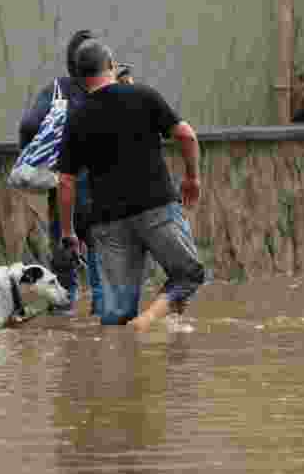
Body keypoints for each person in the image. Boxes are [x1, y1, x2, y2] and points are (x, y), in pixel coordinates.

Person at [56, 40, 205, 331]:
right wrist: (192, 178)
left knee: (116, 315)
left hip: (108, 223)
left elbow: (65, 182)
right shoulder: (143, 95)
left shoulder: (76, 118)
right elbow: (186, 136)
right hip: (157, 208)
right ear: (111, 65)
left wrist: (67, 232)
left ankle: (125, 343)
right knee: (187, 275)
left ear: (80, 78)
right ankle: (147, 321)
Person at [18, 28, 98, 315]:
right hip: (101, 189)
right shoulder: (107, 91)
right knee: (101, 255)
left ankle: (64, 311)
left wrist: (37, 159)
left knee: (64, 247)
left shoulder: (57, 89)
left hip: (65, 186)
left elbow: (29, 125)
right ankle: (104, 315)